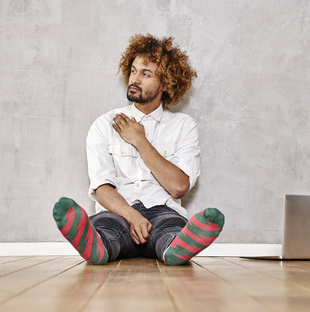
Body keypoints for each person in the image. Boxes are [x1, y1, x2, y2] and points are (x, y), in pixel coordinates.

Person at [53, 34, 224, 265]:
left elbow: (178, 186)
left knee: (170, 228)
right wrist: (132, 216)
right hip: (119, 212)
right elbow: (101, 188)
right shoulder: (104, 124)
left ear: (165, 83)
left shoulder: (183, 126)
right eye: (133, 71)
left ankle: (176, 248)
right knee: (108, 228)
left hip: (162, 210)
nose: (135, 79)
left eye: (145, 74)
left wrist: (140, 141)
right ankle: (96, 245)